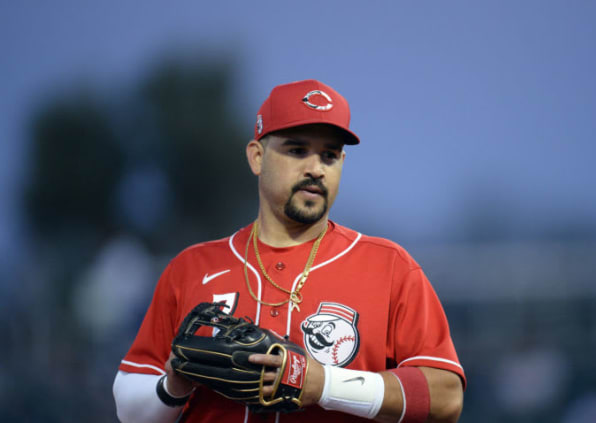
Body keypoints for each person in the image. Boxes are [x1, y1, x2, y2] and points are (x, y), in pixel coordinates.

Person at [113, 79, 465, 423]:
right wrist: (173, 385)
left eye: (329, 155)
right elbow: (129, 406)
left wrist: (324, 385)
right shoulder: (191, 267)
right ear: (257, 157)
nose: (315, 168)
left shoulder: (390, 268)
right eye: (297, 150)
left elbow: (446, 397)